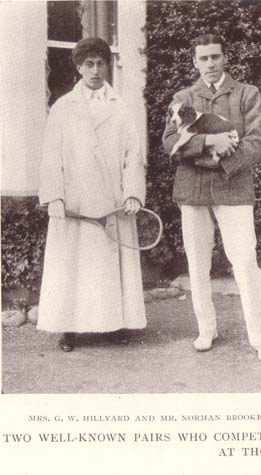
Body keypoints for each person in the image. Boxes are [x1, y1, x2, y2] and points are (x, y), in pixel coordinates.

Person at [162, 34, 261, 364]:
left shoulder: (246, 94)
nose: (210, 64)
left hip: (234, 188)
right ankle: (206, 329)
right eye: (203, 58)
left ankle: (260, 339)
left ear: (225, 57)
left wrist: (222, 161)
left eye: (215, 57)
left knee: (244, 262)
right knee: (198, 264)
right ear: (194, 62)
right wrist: (208, 142)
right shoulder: (183, 96)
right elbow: (170, 141)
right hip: (193, 190)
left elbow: (257, 143)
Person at [37, 37, 147, 351]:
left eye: (100, 63)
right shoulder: (63, 107)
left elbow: (132, 154)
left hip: (112, 200)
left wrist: (133, 193)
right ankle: (68, 328)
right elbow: (51, 156)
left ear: (107, 65)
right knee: (73, 265)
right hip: (76, 202)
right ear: (78, 67)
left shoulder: (120, 105)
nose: (95, 70)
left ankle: (113, 323)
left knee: (107, 266)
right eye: (89, 64)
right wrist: (54, 196)